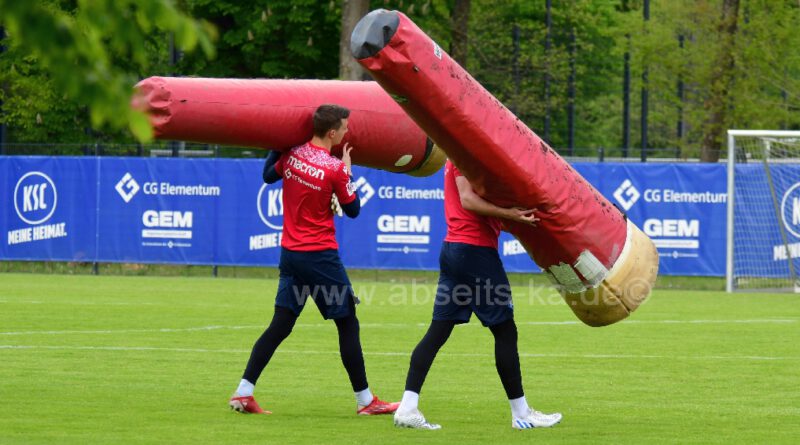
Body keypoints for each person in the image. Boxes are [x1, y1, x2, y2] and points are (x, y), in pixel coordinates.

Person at [229, 104, 399, 416]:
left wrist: (276, 143)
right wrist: (347, 169)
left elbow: (268, 175)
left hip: (291, 256)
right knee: (347, 321)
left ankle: (243, 392)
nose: (348, 132)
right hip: (320, 257)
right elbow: (353, 209)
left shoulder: (292, 155)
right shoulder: (334, 167)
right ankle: (365, 402)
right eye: (345, 127)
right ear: (332, 132)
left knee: (280, 325)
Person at [392, 159, 563, 430]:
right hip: (474, 253)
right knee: (505, 331)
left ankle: (407, 407)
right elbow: (468, 201)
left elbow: (479, 210)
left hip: (455, 251)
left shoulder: (464, 152)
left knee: (437, 332)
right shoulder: (462, 154)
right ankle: (521, 413)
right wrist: (510, 215)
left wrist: (518, 218)